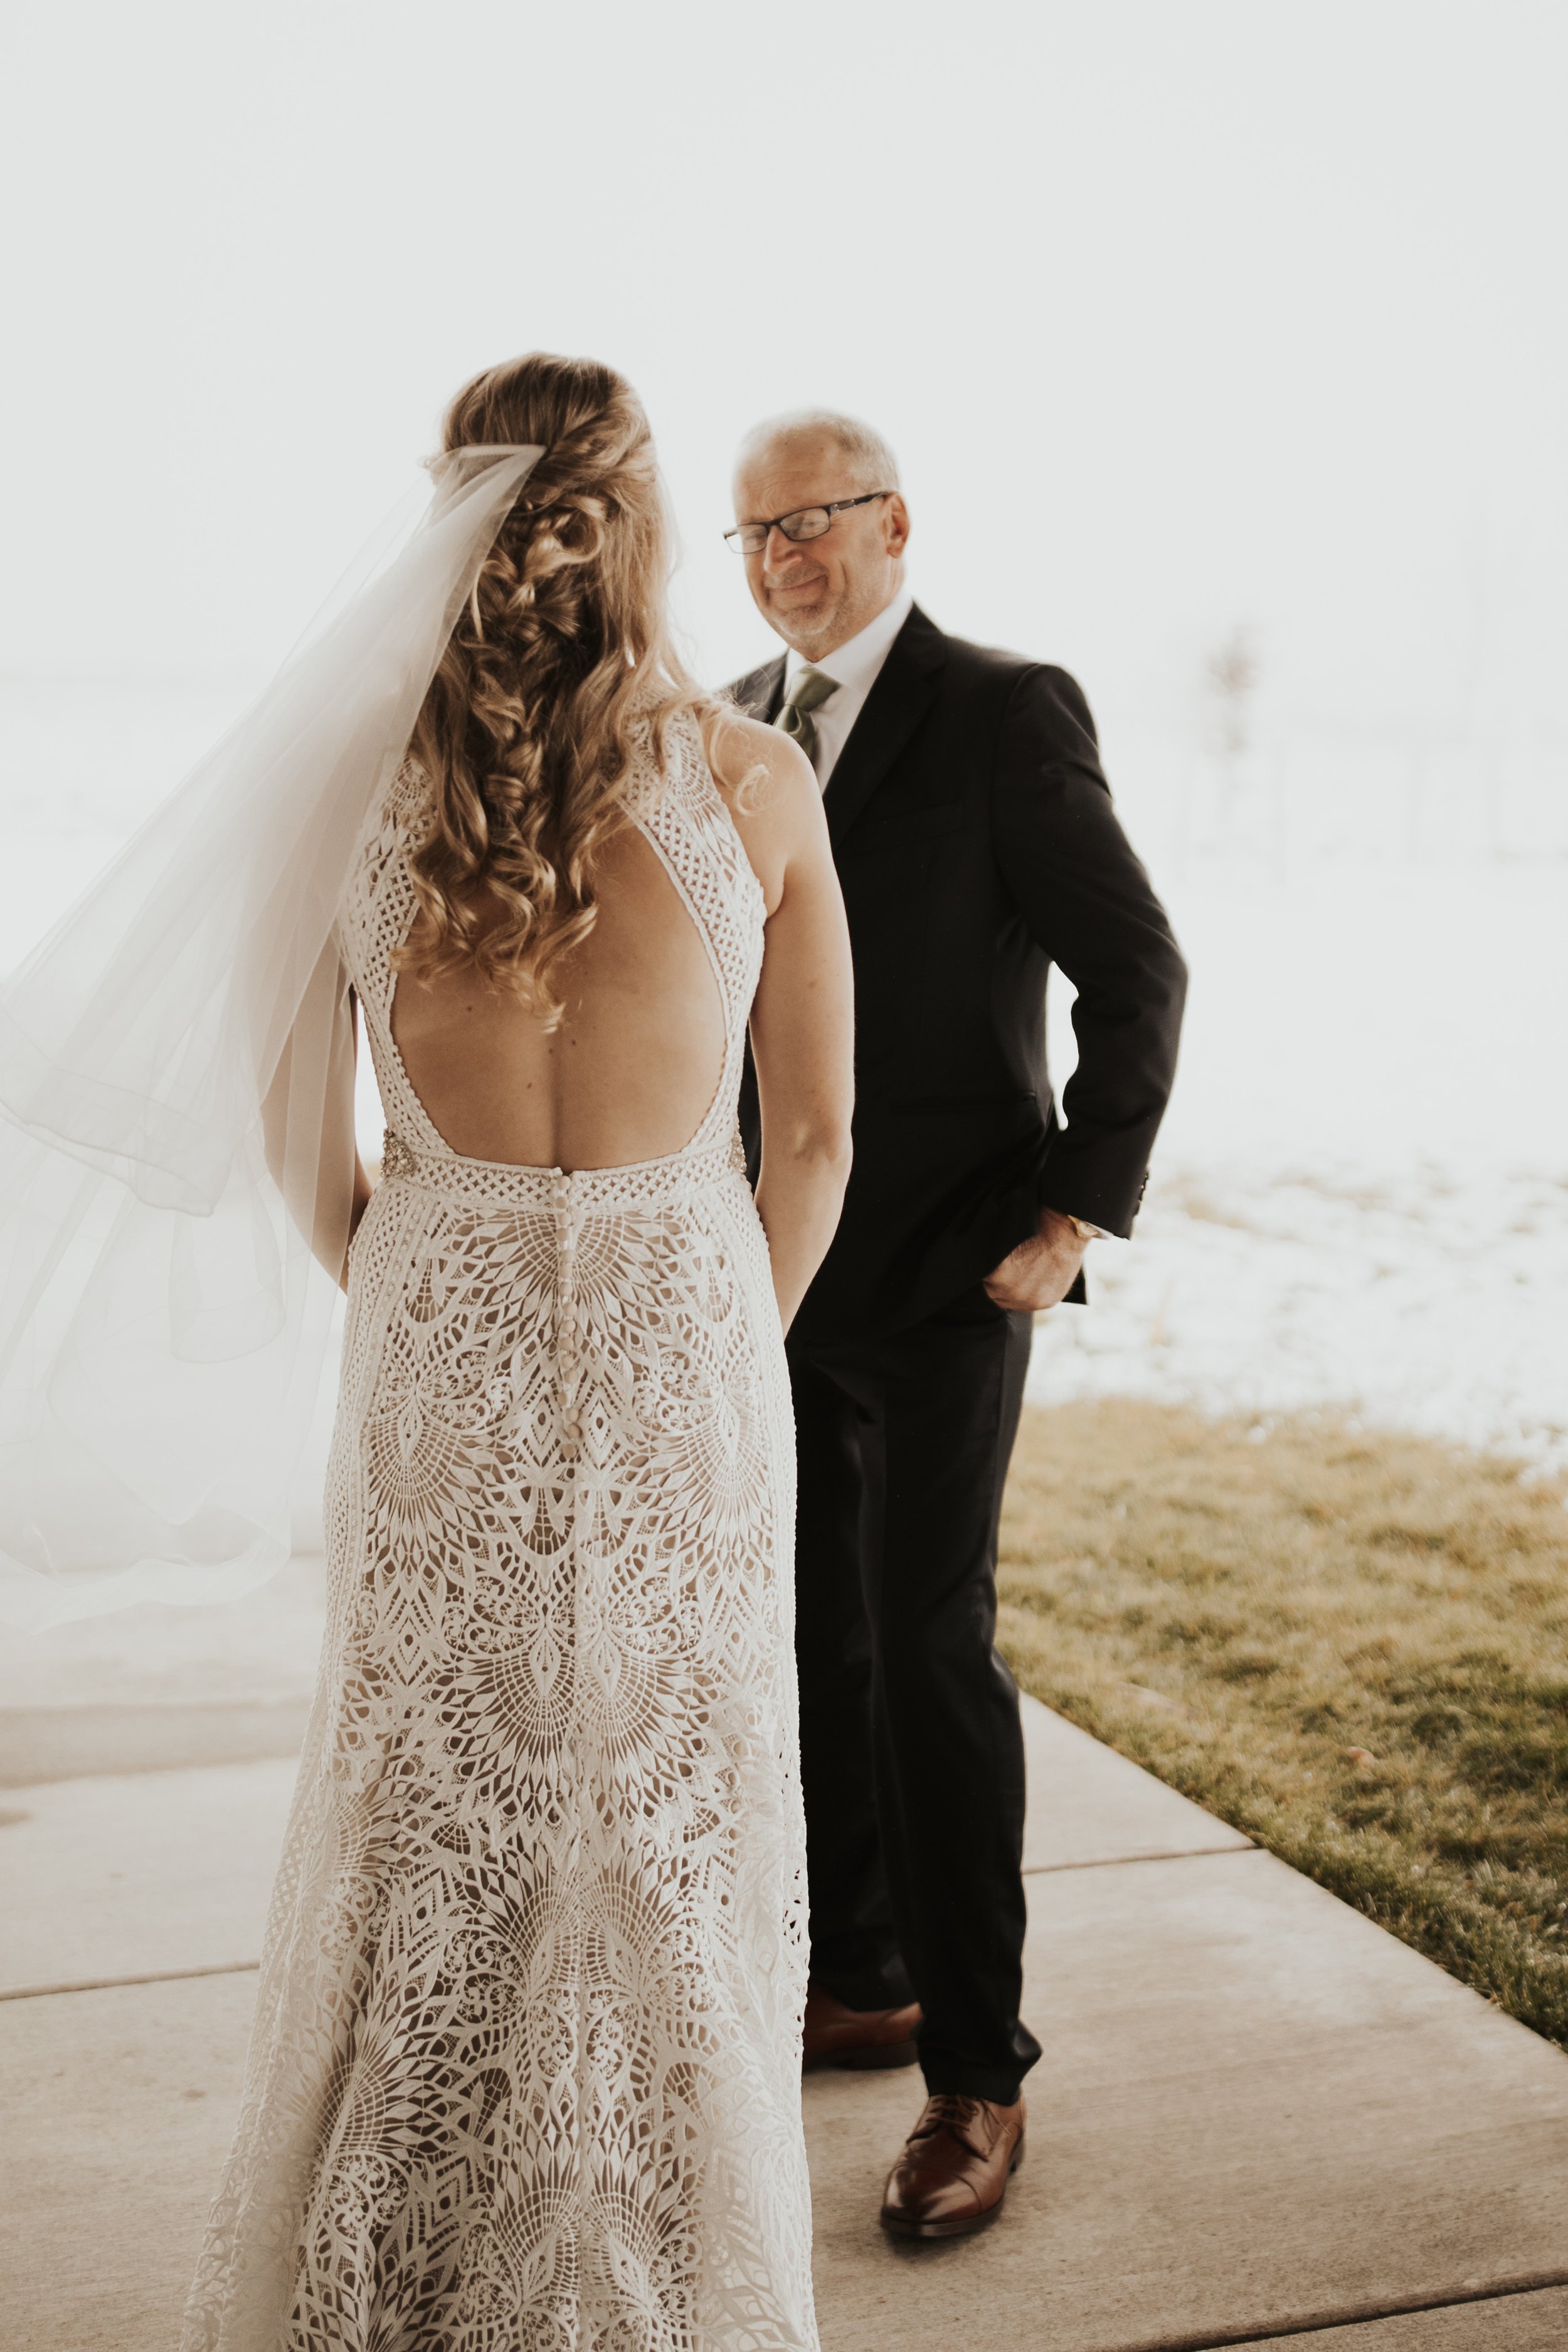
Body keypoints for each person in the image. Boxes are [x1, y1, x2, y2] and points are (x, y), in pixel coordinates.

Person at [0, 354, 852, 2349]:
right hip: (684, 1363)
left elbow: (310, 1147)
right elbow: (807, 1140)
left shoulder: (360, 786)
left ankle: (403, 2286)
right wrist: (715, 1340)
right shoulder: (755, 780)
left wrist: (434, 1288)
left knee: (434, 1816)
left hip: (441, 1346)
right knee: (669, 1821)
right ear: (640, 523)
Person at [726, 410, 1187, 2242]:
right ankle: (864, 1973)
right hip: (763, 1267)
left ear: (895, 523)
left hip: (942, 1269)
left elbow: (1134, 966)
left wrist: (1071, 1204)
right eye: (752, 534)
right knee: (804, 1644)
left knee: (925, 1651)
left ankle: (976, 2079)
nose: (780, 558)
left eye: (812, 523)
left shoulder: (1005, 709)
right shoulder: (716, 723)